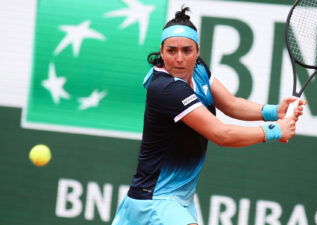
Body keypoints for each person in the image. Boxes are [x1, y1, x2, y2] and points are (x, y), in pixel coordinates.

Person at [112, 6, 305, 225]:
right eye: (171, 50)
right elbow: (221, 134)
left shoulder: (198, 69)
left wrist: (273, 112)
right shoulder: (167, 89)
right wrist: (275, 130)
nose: (179, 58)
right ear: (161, 51)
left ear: (197, 51)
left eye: (187, 50)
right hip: (155, 199)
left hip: (181, 199)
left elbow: (231, 105)